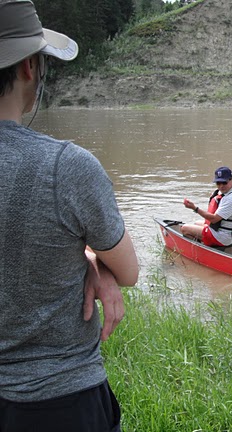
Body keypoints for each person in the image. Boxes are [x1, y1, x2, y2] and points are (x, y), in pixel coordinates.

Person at [0, 1, 139, 431]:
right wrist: (96, 261)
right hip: (59, 401)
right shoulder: (67, 167)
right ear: (29, 67)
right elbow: (130, 271)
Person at [181, 166, 232, 247]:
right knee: (196, 223)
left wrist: (195, 208)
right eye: (218, 183)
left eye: (224, 183)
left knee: (184, 228)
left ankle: (203, 249)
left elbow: (214, 219)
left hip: (224, 237)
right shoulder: (227, 193)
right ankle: (204, 245)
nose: (221, 186)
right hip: (221, 230)